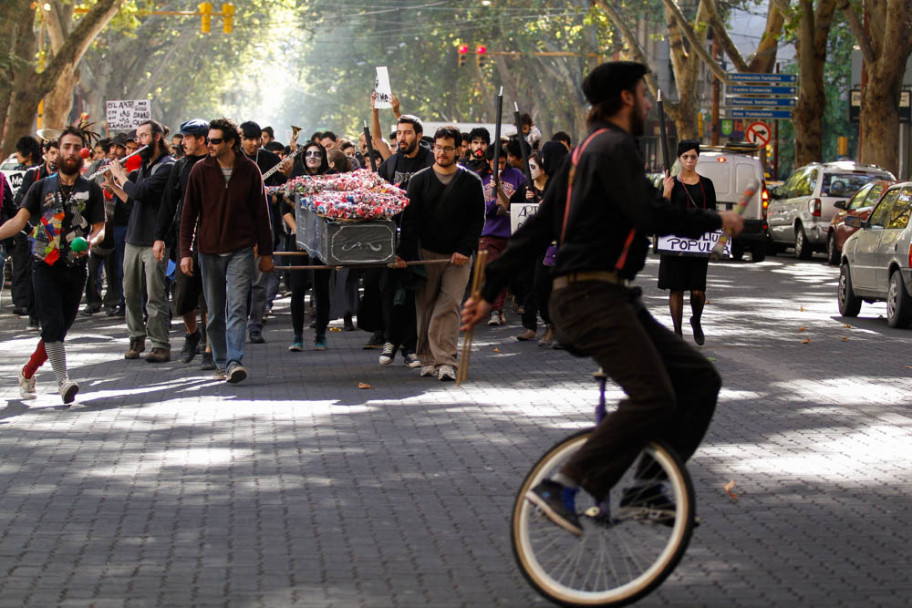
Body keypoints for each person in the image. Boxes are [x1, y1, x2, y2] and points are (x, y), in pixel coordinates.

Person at [460, 61, 744, 535]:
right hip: (589, 297)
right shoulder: (613, 147)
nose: (652, 103)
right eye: (646, 94)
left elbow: (538, 228)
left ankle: (647, 489)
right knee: (654, 397)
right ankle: (566, 482)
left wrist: (490, 291)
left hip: (602, 296)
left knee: (698, 381)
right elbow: (648, 212)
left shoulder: (583, 154)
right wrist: (716, 220)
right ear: (627, 98)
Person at [0, 126, 105, 404]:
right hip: (43, 264)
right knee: (52, 324)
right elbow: (18, 222)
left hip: (76, 268)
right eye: (66, 146)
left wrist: (91, 242)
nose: (70, 152)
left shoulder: (91, 189)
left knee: (58, 329)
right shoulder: (40, 186)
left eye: (75, 147)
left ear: (83, 153)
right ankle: (63, 381)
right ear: (56, 151)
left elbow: (99, 228)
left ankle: (27, 372)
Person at [180, 118, 274, 383]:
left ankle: (234, 361)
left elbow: (261, 215)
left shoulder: (250, 170)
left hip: (241, 250)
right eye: (208, 140)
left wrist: (266, 254)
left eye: (215, 140)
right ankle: (221, 360)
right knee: (214, 311)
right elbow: (188, 215)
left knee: (236, 308)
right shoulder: (200, 170)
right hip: (208, 251)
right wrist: (185, 252)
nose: (209, 144)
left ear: (231, 142)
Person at [395, 125, 485, 381]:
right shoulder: (419, 180)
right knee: (425, 306)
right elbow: (409, 222)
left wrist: (465, 249)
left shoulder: (471, 181)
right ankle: (427, 359)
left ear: (459, 150)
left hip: (458, 258)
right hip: (425, 255)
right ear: (432, 147)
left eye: (448, 148)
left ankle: (446, 360)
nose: (442, 153)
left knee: (449, 307)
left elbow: (477, 220)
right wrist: (403, 254)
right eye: (438, 147)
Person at [103, 120, 175, 363]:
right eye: (138, 136)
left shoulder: (167, 166)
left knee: (155, 294)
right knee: (130, 292)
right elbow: (134, 199)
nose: (139, 141)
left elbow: (142, 192)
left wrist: (120, 175)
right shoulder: (144, 166)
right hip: (134, 239)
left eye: (144, 136)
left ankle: (160, 344)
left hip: (154, 240)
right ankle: (136, 337)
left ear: (157, 137)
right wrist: (114, 185)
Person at [153, 118, 213, 368]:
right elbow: (168, 203)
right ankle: (192, 335)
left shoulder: (215, 165)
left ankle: (211, 347)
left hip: (212, 239)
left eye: (188, 138)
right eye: (182, 137)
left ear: (202, 140)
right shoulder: (179, 168)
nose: (183, 142)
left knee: (209, 297)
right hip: (184, 240)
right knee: (183, 297)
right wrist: (159, 237)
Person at [657, 140, 717, 345]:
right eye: (685, 157)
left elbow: (712, 214)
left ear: (697, 158)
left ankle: (696, 320)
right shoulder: (670, 182)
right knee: (677, 288)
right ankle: (677, 332)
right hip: (674, 244)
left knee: (698, 290)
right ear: (679, 159)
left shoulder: (707, 184)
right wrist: (666, 191)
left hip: (697, 244)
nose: (689, 161)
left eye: (693, 156)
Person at [239, 120, 284, 345]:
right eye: (249, 139)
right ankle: (236, 328)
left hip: (264, 227)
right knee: (237, 284)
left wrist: (275, 189)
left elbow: (285, 184)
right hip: (236, 231)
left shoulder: (268, 159)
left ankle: (255, 326)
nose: (254, 143)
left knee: (259, 283)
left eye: (257, 139)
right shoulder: (231, 159)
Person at [285, 141, 331, 350]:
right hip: (297, 241)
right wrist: (299, 234)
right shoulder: (294, 181)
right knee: (297, 288)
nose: (312, 157)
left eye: (317, 154)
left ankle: (320, 335)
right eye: (309, 154)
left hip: (322, 241)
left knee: (322, 289)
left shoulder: (330, 180)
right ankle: (297, 336)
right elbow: (284, 211)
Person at [479, 144, 526, 326]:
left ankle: (497, 309)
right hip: (488, 233)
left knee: (504, 274)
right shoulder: (480, 177)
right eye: (496, 163)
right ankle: (493, 309)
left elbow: (522, 202)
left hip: (509, 232)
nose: (500, 166)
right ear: (489, 161)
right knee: (490, 271)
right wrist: (492, 206)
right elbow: (476, 206)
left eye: (503, 163)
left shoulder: (516, 176)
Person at [11, 137, 55, 327]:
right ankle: (34, 312)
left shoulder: (70, 176)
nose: (55, 157)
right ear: (45, 153)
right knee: (34, 272)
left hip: (60, 234)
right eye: (52, 153)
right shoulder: (33, 175)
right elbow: (20, 201)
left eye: (57, 153)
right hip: (37, 231)